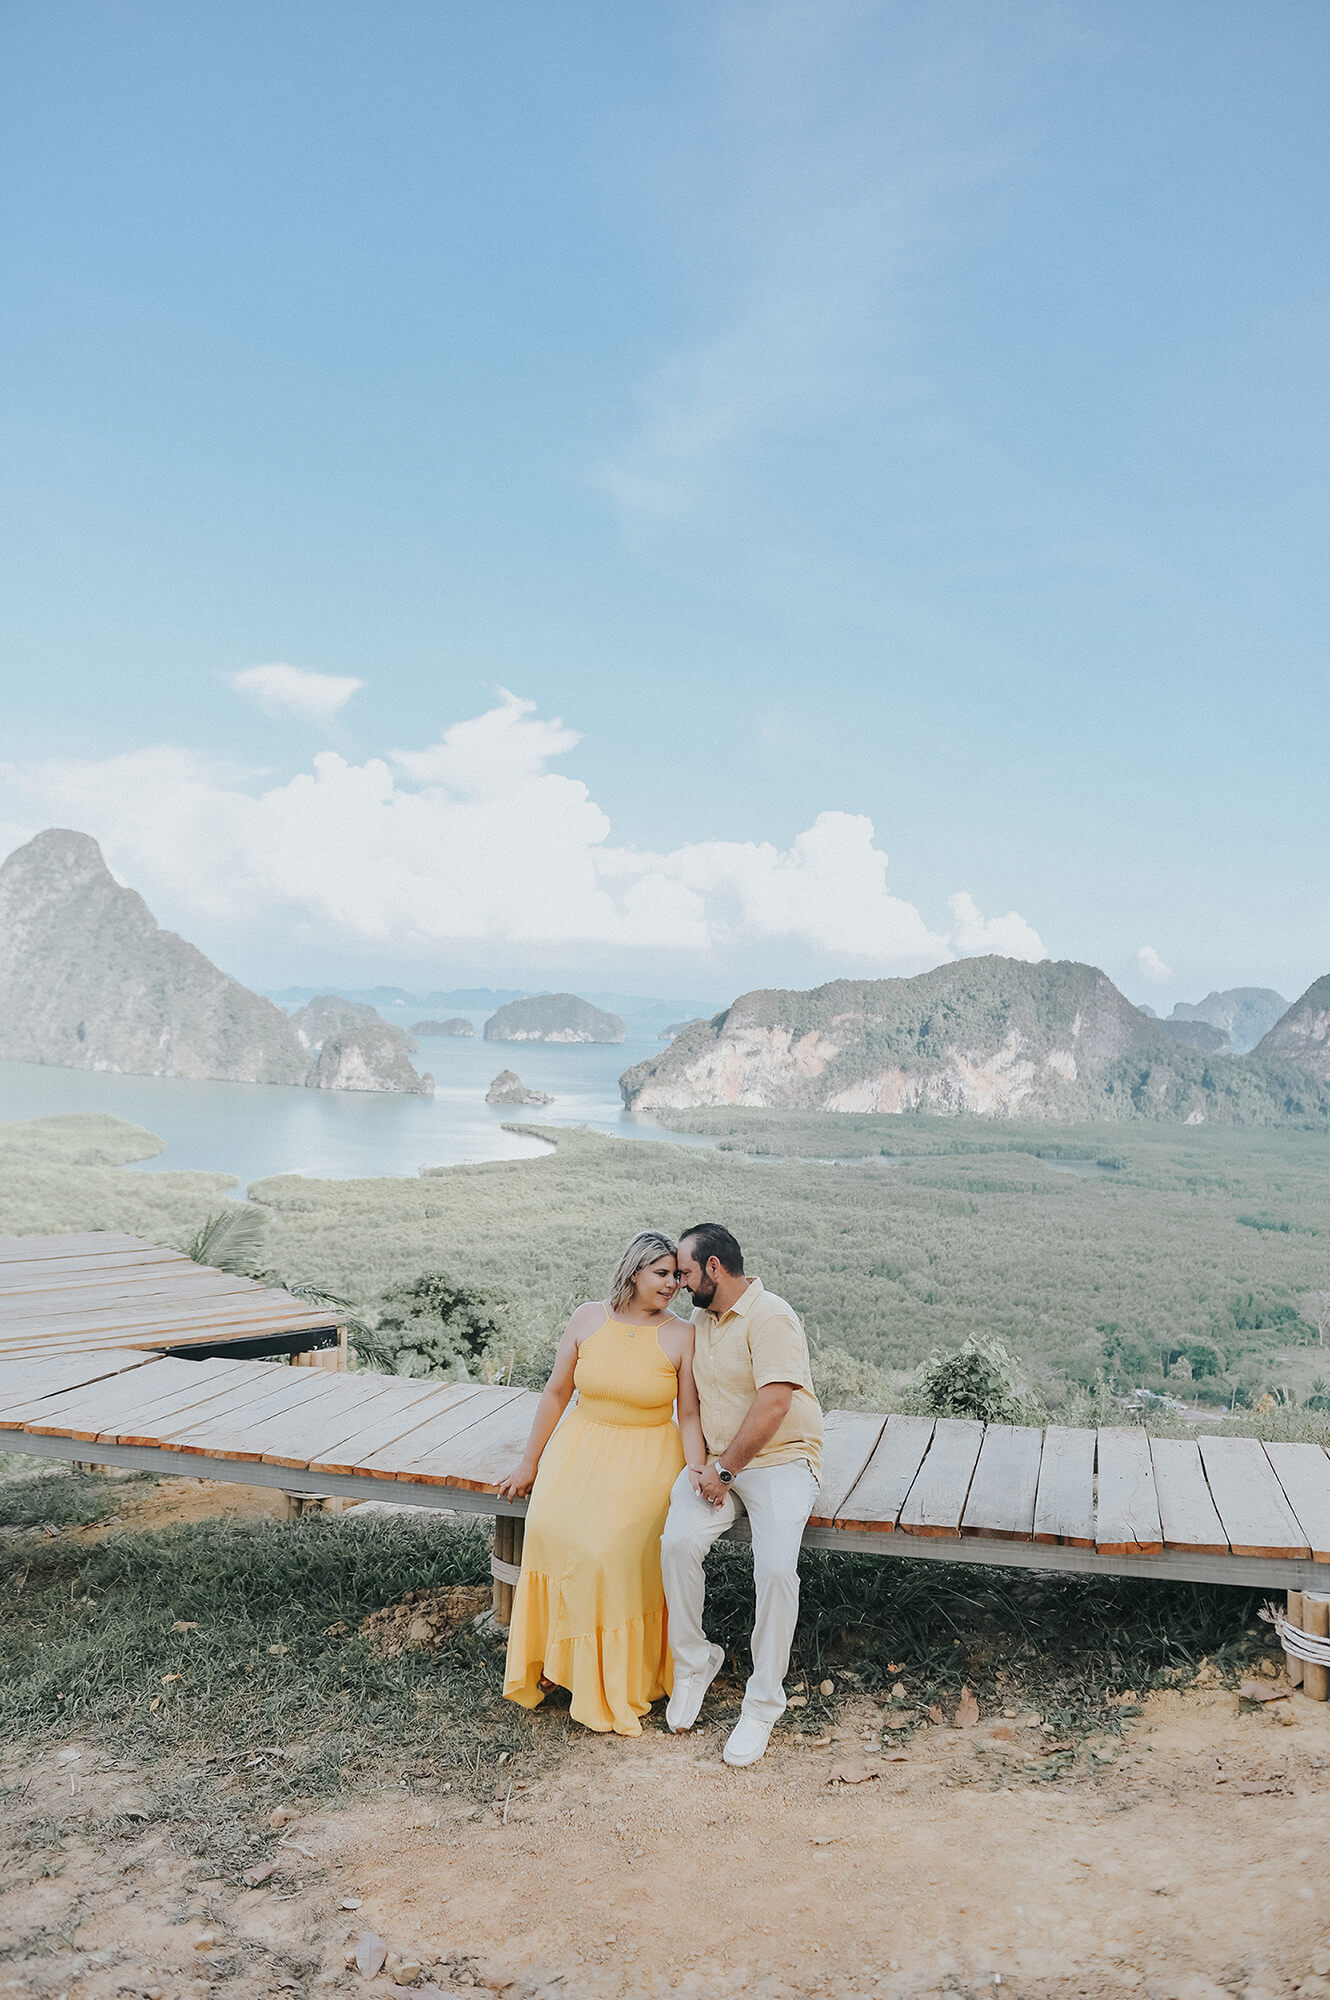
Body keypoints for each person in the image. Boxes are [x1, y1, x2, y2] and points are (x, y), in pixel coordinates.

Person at [497, 1230, 705, 1737]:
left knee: (604, 1552)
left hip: (647, 1457)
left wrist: (698, 1468)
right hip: (579, 1447)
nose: (673, 1285)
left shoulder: (682, 1334)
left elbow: (691, 1413)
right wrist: (529, 1463)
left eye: (678, 1275)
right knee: (549, 1536)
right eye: (662, 1274)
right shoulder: (588, 1317)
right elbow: (555, 1391)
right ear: (634, 1272)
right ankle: (553, 1662)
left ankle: (608, 1677)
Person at [661, 1223, 824, 1767]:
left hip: (778, 1461)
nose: (679, 1284)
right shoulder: (699, 1322)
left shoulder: (770, 1315)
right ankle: (695, 1663)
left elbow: (776, 1402)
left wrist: (725, 1471)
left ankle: (761, 1703)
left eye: (684, 1272)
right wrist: (704, 1467)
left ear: (712, 1268)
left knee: (776, 1570)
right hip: (718, 1467)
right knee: (676, 1543)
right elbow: (692, 1406)